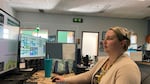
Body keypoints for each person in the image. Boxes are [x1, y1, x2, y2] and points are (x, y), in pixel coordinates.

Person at [52, 26, 141, 84]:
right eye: (104, 38)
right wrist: (65, 80)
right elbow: (88, 76)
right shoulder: (104, 60)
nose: (104, 41)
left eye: (109, 38)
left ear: (122, 43)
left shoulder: (128, 67)